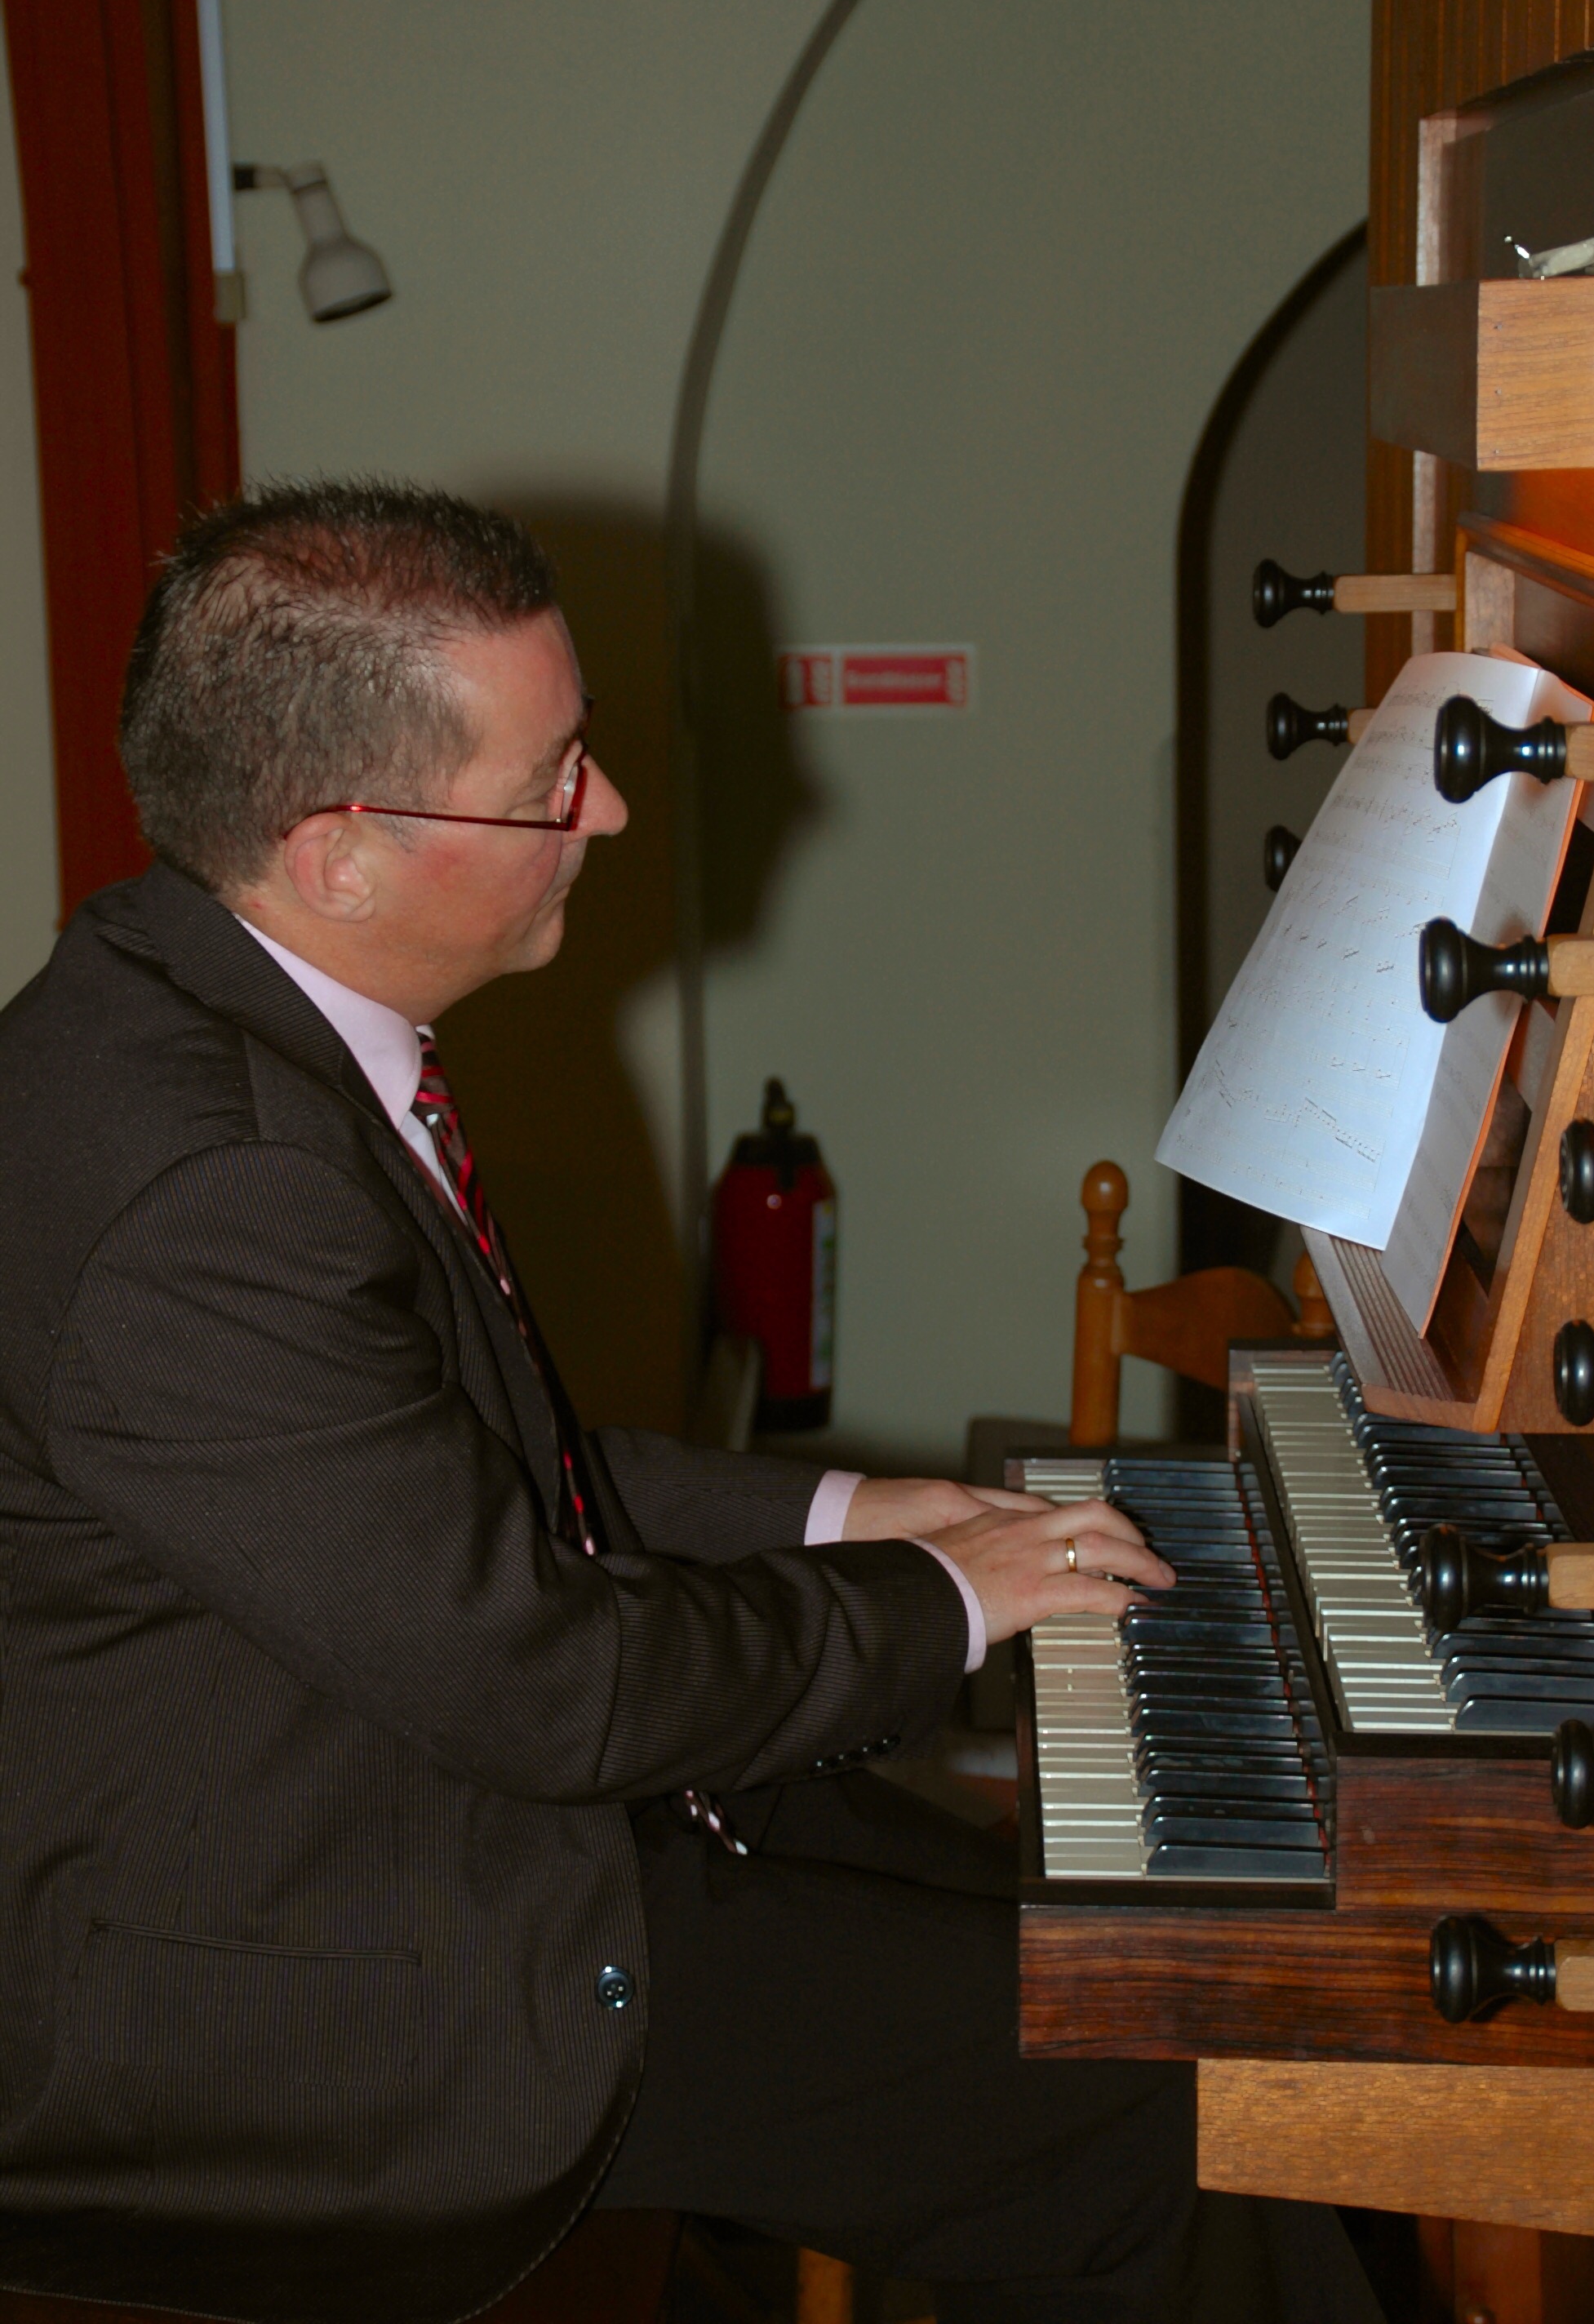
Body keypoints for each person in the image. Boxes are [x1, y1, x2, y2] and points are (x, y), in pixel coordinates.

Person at [0, 482, 1381, 2324]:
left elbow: (456, 1495)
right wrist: (951, 1600)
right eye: (550, 780)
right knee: (1169, 2101)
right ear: (341, 854)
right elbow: (539, 1679)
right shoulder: (210, 1187)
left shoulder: (185, 1006)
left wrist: (849, 1514)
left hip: (411, 1801)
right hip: (309, 1985)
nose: (609, 811)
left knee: (1119, 1941)